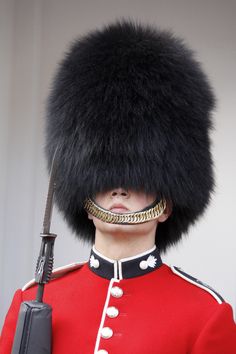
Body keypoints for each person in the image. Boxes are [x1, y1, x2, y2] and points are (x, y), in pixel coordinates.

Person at [0, 19, 236, 354]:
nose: (118, 189)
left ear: (166, 206)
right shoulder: (34, 299)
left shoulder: (205, 314)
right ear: (84, 195)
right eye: (104, 176)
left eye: (137, 178)